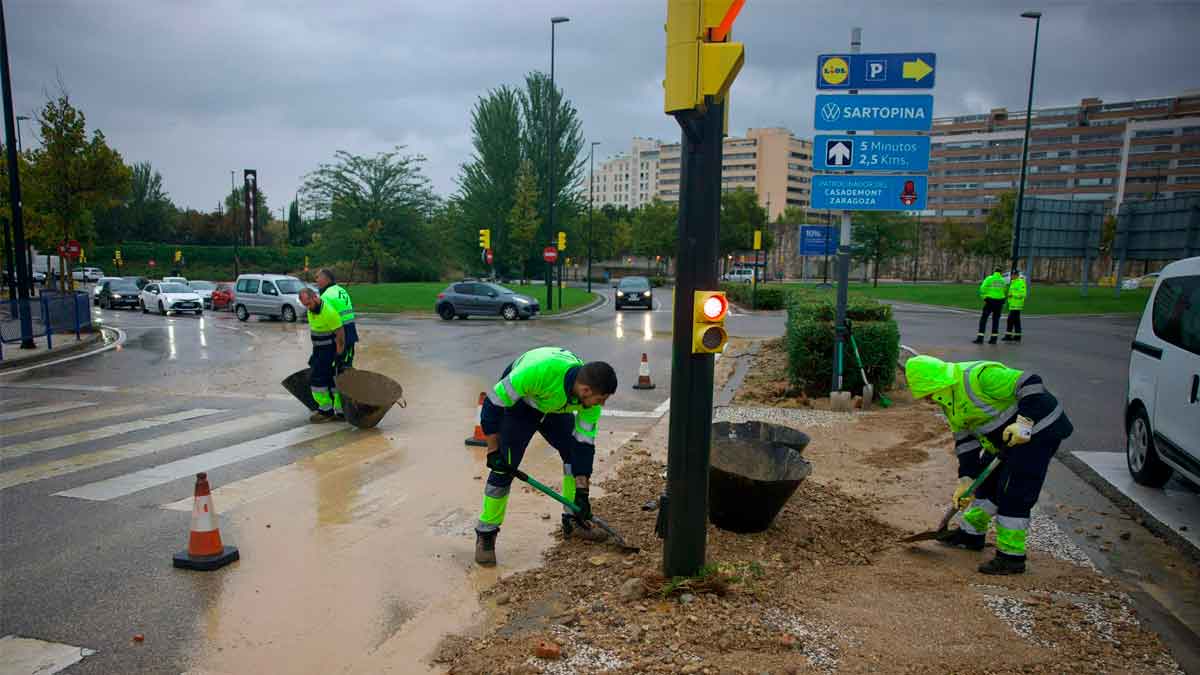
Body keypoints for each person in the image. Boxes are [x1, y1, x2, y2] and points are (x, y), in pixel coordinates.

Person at [904, 355, 1073, 575]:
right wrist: (966, 479)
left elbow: (1031, 382)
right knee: (984, 486)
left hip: (1039, 430)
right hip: (1004, 441)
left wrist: (1024, 422)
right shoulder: (949, 402)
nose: (928, 400)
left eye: (928, 395)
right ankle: (970, 535)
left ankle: (1011, 558)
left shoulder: (979, 377)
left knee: (1013, 491)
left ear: (938, 384)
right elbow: (965, 442)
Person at [474, 347, 619, 566]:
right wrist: (493, 449)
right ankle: (486, 534)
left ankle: (573, 519)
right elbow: (492, 404)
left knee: (572, 454)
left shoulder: (589, 403)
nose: (602, 404)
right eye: (601, 399)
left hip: (553, 409)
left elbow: (584, 446)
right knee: (505, 465)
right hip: (521, 404)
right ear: (586, 390)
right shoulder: (536, 372)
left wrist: (582, 492)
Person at [298, 288, 345, 424]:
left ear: (314, 297)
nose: (307, 308)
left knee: (317, 379)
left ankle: (326, 411)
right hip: (318, 350)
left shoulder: (329, 313)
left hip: (329, 351)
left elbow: (340, 336)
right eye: (305, 305)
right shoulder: (311, 310)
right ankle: (339, 411)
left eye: (308, 304)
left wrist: (338, 356)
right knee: (330, 380)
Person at [316, 268, 357, 369]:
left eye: (318, 277)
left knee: (334, 366)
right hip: (351, 332)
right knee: (347, 364)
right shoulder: (341, 290)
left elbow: (324, 321)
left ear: (325, 279)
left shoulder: (326, 296)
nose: (316, 280)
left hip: (338, 335)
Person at [974, 266, 1008, 344]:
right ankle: (994, 339)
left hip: (990, 300)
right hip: (1000, 301)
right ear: (1001, 273)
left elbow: (982, 288)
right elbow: (1004, 290)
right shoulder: (1003, 280)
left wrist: (984, 297)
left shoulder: (989, 278)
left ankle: (980, 338)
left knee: (984, 319)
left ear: (994, 271)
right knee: (996, 320)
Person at [1002, 271, 1027, 342]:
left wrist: (1013, 295)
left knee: (1010, 320)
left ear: (1016, 275)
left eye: (1012, 275)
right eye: (1011, 275)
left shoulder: (1020, 283)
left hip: (1017, 305)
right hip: (1012, 304)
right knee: (1016, 321)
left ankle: (1008, 336)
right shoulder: (1013, 282)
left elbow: (1023, 294)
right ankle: (1017, 336)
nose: (1011, 277)